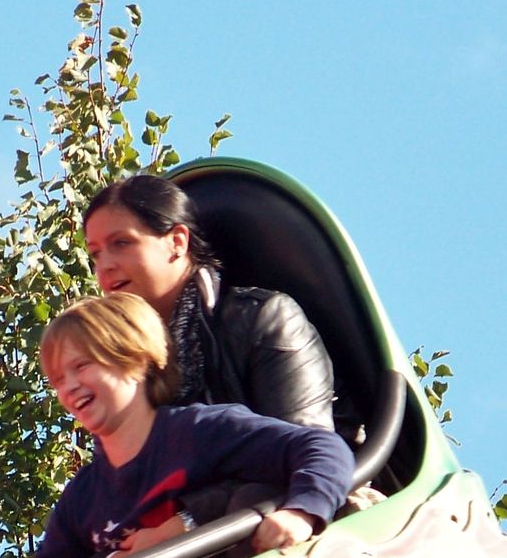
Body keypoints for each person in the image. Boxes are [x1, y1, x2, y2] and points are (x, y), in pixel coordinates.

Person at [6, 293, 353, 558]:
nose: (68, 387)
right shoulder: (83, 497)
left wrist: (301, 512)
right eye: (57, 381)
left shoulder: (198, 431)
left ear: (135, 359)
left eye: (81, 366)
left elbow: (320, 447)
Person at [84, 174, 336, 432]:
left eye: (121, 243)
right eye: (96, 254)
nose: (105, 266)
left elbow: (309, 449)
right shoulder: (123, 368)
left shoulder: (264, 320)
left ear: (177, 241)